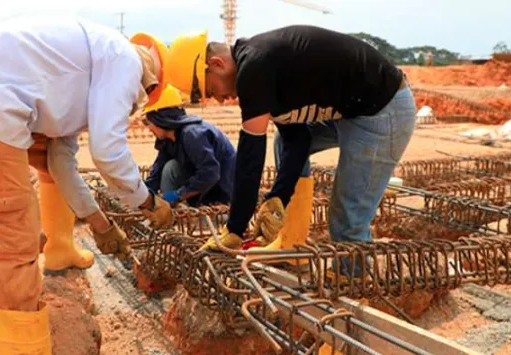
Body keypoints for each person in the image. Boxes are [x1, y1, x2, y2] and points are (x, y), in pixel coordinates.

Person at [0, 16, 172, 355]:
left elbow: (61, 165)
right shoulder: (126, 63)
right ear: (149, 87)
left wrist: (102, 227)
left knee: (46, 160)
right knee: (14, 227)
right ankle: (22, 350)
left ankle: (60, 249)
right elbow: (109, 153)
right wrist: (147, 202)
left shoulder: (90, 72)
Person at [167, 25, 416, 269]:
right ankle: (291, 244)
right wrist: (279, 195)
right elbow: (297, 138)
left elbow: (250, 154)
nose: (219, 99)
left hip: (382, 112)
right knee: (281, 141)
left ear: (218, 65)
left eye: (211, 90)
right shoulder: (265, 65)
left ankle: (353, 279)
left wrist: (235, 228)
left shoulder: (253, 67)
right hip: (353, 111)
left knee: (348, 214)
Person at [142, 85, 236, 207]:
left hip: (222, 192)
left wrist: (178, 194)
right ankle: (170, 212)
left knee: (172, 168)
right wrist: (141, 197)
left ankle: (191, 213)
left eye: (149, 123)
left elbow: (210, 174)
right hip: (204, 187)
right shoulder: (169, 139)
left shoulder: (192, 135)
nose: (149, 128)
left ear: (160, 118)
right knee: (170, 167)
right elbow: (156, 173)